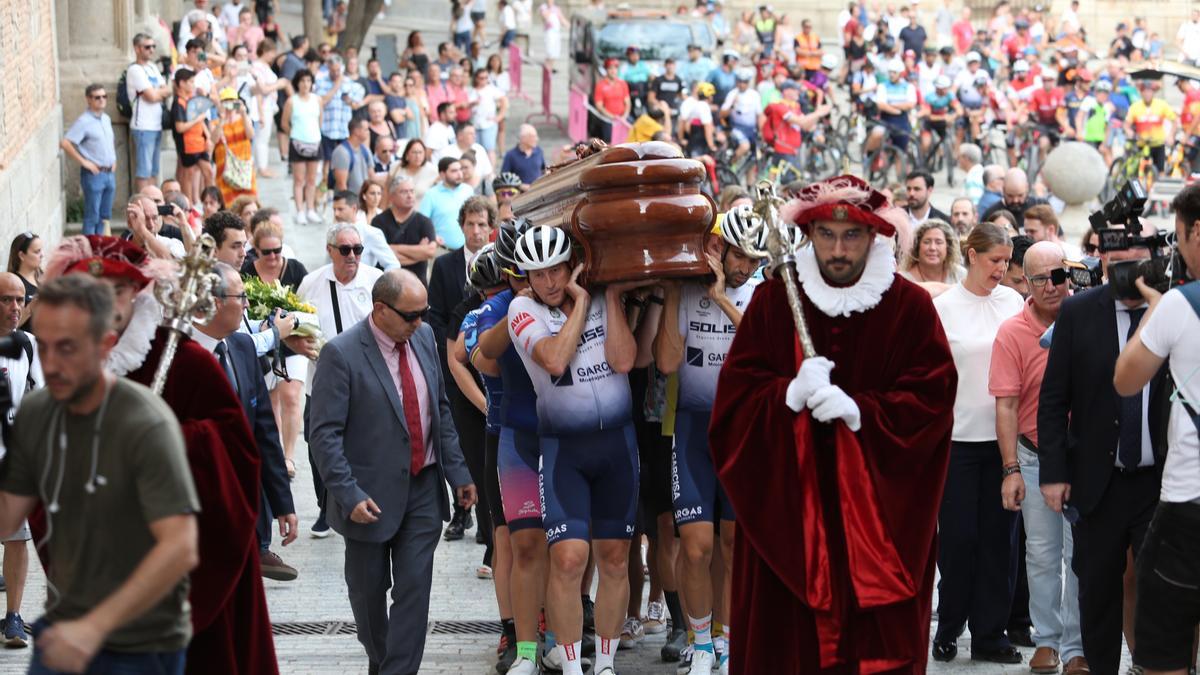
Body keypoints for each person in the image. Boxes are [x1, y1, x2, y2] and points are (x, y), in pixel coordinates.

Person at [709, 175, 956, 673]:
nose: (838, 249)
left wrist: (863, 411)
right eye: (826, 235)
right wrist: (786, 396)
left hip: (877, 517)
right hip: (790, 518)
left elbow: (933, 398)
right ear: (809, 235)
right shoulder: (775, 300)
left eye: (851, 236)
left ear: (874, 237)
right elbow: (733, 407)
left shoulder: (909, 308)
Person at [43, 235, 277, 674]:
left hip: (191, 569)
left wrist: (157, 445)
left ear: (136, 295)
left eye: (114, 294)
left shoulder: (186, 361)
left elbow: (237, 455)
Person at [0, 274, 197, 672]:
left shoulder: (146, 421)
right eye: (46, 345)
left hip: (142, 641)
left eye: (68, 348)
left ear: (105, 345)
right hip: (62, 631)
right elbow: (8, 514)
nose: (52, 363)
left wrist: (95, 627)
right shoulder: (38, 412)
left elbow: (180, 548)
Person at [310, 268, 475, 675]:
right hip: (366, 496)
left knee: (414, 590)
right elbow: (324, 435)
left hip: (422, 487)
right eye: (411, 314)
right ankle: (384, 663)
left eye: (425, 313)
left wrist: (459, 474)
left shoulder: (422, 339)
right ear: (380, 309)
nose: (420, 322)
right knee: (367, 597)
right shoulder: (341, 353)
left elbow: (440, 410)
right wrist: (347, 494)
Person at [505, 224, 646, 675]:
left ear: (573, 266)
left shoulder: (604, 298)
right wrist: (582, 302)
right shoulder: (521, 309)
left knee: (616, 558)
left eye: (557, 270)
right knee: (568, 558)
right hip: (563, 449)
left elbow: (624, 361)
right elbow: (554, 359)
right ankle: (569, 665)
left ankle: (603, 663)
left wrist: (607, 300)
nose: (548, 282)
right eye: (538, 273)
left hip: (617, 445)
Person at [1039, 220, 1172, 675]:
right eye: (1113, 263)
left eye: (1132, 263)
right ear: (1100, 262)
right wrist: (1053, 473)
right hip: (1098, 483)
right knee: (1096, 592)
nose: (1122, 273)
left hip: (1162, 481)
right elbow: (1054, 399)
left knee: (1163, 590)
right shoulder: (1078, 312)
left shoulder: (1174, 310)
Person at [653, 206, 764, 675]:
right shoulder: (690, 288)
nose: (749, 267)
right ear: (720, 249)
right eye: (742, 257)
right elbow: (664, 362)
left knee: (734, 544)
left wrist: (722, 299)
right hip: (695, 428)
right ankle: (700, 641)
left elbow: (767, 352)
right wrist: (680, 296)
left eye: (757, 259)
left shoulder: (763, 292)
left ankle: (727, 637)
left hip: (743, 433)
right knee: (696, 545)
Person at [989, 241, 1088, 675]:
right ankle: (1046, 640)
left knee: (1080, 556)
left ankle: (1077, 647)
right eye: (1040, 279)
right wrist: (1011, 468)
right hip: (1032, 455)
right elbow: (1006, 405)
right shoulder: (1012, 331)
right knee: (1042, 554)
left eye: (1059, 275)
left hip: (1083, 457)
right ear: (1024, 283)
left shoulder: (1087, 319)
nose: (1052, 286)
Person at [1113, 185, 1200, 675]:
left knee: (1164, 652)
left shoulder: (1179, 305)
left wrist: (1152, 309)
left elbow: (1126, 379)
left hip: (1189, 504)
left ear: (1196, 232)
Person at [931, 222, 1025, 664]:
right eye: (994, 261)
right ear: (970, 255)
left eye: (1007, 262)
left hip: (1006, 442)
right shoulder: (945, 305)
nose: (1001, 270)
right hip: (957, 440)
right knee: (957, 540)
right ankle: (949, 626)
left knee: (999, 542)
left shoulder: (1013, 302)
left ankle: (991, 633)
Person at [191, 263, 298, 582]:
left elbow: (264, 432)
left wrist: (282, 502)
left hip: (243, 509)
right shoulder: (178, 354)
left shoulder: (241, 347)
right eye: (241, 297)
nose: (248, 305)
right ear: (215, 301)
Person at [297, 224, 385, 538]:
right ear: (330, 249)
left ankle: (355, 500)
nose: (352, 256)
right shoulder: (311, 283)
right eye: (345, 249)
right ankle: (325, 505)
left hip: (366, 383)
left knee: (361, 444)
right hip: (320, 382)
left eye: (357, 249)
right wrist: (299, 346)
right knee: (317, 444)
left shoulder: (376, 281)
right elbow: (296, 326)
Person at [428, 197, 495, 540]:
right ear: (461, 226)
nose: (476, 230)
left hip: (493, 370)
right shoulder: (444, 266)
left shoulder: (501, 262)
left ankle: (490, 524)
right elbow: (435, 315)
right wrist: (454, 349)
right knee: (464, 445)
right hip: (457, 367)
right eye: (470, 224)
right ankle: (462, 511)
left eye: (482, 224)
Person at [242, 220, 311, 480]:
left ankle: (288, 457)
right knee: (271, 401)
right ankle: (274, 452)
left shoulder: (295, 269)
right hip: (262, 345)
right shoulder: (247, 271)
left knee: (292, 396)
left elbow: (307, 305)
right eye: (266, 252)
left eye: (277, 251)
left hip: (292, 341)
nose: (273, 257)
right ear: (256, 251)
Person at [0, 273, 41, 648]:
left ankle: (13, 616)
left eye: (19, 299)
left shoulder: (27, 344)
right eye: (6, 300)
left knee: (17, 538)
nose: (15, 307)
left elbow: (41, 397)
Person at [62, 84, 117, 236]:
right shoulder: (84, 121)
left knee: (104, 216)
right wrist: (85, 162)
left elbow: (109, 142)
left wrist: (114, 160)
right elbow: (65, 143)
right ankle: (89, 252)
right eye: (97, 97)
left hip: (109, 173)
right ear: (88, 99)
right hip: (94, 175)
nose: (102, 100)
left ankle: (99, 247)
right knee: (92, 216)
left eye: (104, 96)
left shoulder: (106, 118)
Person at [127, 34, 172, 192]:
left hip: (156, 124)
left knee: (153, 170)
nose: (151, 50)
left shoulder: (152, 67)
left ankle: (152, 202)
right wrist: (158, 92)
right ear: (137, 49)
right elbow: (151, 96)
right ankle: (142, 203)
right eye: (147, 47)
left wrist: (157, 92)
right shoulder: (134, 70)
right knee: (143, 172)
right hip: (143, 127)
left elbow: (167, 89)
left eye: (153, 46)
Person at [374, 174, 440, 282]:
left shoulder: (424, 221)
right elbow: (380, 256)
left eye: (412, 191)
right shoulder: (379, 221)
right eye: (404, 192)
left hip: (417, 283)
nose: (410, 195)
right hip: (389, 283)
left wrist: (393, 248)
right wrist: (419, 253)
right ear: (391, 197)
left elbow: (430, 251)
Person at [170, 68, 213, 208]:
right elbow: (180, 127)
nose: (193, 85)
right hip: (187, 145)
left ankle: (211, 202)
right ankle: (188, 208)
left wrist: (208, 137)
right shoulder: (178, 103)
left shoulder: (191, 99)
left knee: (209, 172)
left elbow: (201, 121)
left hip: (200, 143)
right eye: (191, 82)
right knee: (187, 177)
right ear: (182, 83)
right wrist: (198, 119)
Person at [211, 87, 257, 205]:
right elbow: (214, 139)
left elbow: (250, 135)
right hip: (225, 169)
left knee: (248, 202)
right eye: (226, 102)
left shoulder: (244, 119)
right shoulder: (215, 123)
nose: (229, 105)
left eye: (232, 101)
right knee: (227, 202)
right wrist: (222, 119)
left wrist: (244, 113)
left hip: (243, 168)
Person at [419, 157, 475, 250]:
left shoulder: (468, 190)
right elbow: (421, 223)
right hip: (441, 251)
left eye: (460, 169)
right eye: (454, 171)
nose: (459, 174)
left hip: (468, 251)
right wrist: (433, 237)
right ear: (442, 174)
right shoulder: (431, 194)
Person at [1124, 80, 1176, 173]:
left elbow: (1174, 120)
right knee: (1138, 170)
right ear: (1141, 92)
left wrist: (1171, 136)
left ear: (1153, 92)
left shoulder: (1161, 105)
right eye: (1145, 91)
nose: (1147, 94)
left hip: (1158, 143)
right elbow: (1126, 125)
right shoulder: (1135, 107)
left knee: (1160, 171)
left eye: (1150, 91)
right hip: (1142, 144)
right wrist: (1130, 133)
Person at [980, 168, 1047, 233]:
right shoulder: (991, 214)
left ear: (1027, 188)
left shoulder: (1040, 205)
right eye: (1010, 196)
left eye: (1020, 195)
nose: (1015, 200)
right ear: (1003, 190)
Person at [901, 218, 965, 284]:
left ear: (948, 247)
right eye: (927, 242)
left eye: (939, 242)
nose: (932, 248)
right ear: (917, 246)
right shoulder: (903, 279)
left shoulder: (960, 275)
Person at [329, 117, 377, 195]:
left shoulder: (365, 150)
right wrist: (350, 204)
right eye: (366, 129)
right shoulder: (342, 152)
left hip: (363, 201)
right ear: (357, 131)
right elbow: (341, 184)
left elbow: (372, 176)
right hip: (350, 202)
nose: (369, 132)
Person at [8, 232, 42, 328]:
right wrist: (29, 309)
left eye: (41, 250)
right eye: (37, 252)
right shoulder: (13, 284)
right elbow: (8, 326)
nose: (42, 255)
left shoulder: (42, 275)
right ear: (22, 255)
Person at [499, 124, 545, 188]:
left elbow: (544, 171)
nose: (536, 139)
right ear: (523, 138)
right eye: (533, 136)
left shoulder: (539, 151)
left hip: (538, 190)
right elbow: (504, 179)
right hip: (520, 194)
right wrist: (520, 186)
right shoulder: (510, 155)